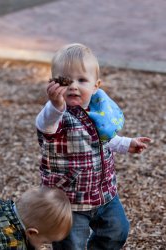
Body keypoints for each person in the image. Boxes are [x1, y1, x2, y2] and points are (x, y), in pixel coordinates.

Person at [36, 43, 151, 250]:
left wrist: (126, 144)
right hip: (69, 201)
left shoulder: (98, 111)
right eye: (66, 80)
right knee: (71, 245)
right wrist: (55, 105)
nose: (73, 86)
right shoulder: (56, 114)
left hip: (104, 194)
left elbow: (104, 137)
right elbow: (45, 125)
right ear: (54, 83)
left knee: (117, 232)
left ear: (96, 86)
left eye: (81, 80)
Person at [0, 186, 72, 250]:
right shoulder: (13, 243)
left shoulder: (2, 205)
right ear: (31, 232)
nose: (45, 246)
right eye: (44, 242)